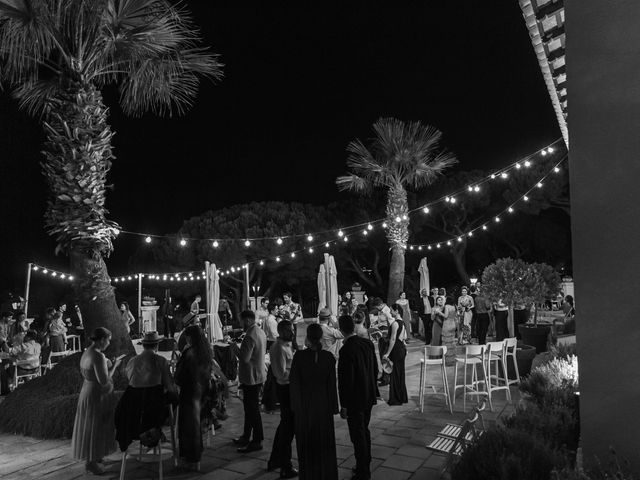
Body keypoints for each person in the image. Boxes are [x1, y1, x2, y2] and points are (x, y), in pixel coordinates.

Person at [290, 323, 339, 480]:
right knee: (324, 443)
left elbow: (294, 384)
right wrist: (334, 407)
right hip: (323, 406)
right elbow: (332, 386)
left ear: (308, 337)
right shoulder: (328, 358)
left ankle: (309, 475)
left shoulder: (299, 357)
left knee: (307, 443)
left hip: (305, 406)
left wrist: (295, 407)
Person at [71, 327, 122, 475]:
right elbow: (104, 380)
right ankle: (91, 462)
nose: (108, 343)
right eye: (108, 340)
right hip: (96, 394)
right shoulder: (98, 356)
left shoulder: (87, 352)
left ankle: (96, 456)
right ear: (101, 340)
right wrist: (115, 367)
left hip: (87, 390)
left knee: (93, 425)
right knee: (95, 426)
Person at [116, 331, 177, 453]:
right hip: (153, 405)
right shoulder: (160, 361)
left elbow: (130, 379)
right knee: (174, 398)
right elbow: (169, 386)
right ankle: (157, 431)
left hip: (132, 406)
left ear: (143, 345)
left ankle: (152, 432)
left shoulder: (132, 361)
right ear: (157, 345)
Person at [337, 315, 378, 480]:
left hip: (355, 399)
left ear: (341, 330)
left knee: (357, 434)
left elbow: (346, 380)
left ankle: (363, 470)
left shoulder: (346, 350)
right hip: (368, 395)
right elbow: (374, 369)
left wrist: (344, 405)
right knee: (364, 430)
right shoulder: (367, 343)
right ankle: (365, 462)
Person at [175, 325, 213, 466]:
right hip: (202, 389)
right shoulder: (206, 351)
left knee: (190, 423)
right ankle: (195, 450)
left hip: (190, 390)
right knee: (195, 421)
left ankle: (192, 453)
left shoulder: (190, 353)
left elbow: (180, 374)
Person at [267, 320, 298, 478]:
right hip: (285, 390)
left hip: (290, 388)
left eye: (292, 329)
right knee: (287, 428)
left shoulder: (288, 345)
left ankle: (276, 459)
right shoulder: (278, 348)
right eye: (289, 330)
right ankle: (285, 465)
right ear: (281, 331)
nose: (292, 332)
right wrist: (297, 373)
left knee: (285, 427)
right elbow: (280, 374)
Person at [234, 310, 266, 453]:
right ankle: (246, 436)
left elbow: (244, 358)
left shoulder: (249, 336)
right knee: (249, 409)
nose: (240, 324)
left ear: (247, 320)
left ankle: (257, 440)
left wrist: (234, 348)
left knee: (252, 410)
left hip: (251, 377)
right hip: (258, 374)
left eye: (241, 321)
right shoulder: (260, 331)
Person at [383, 305, 408, 405]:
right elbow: (404, 337)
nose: (390, 312)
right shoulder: (402, 322)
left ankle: (396, 399)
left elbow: (393, 339)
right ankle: (402, 397)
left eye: (392, 310)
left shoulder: (395, 324)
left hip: (396, 350)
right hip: (401, 349)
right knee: (400, 374)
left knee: (395, 374)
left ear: (396, 311)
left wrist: (387, 353)